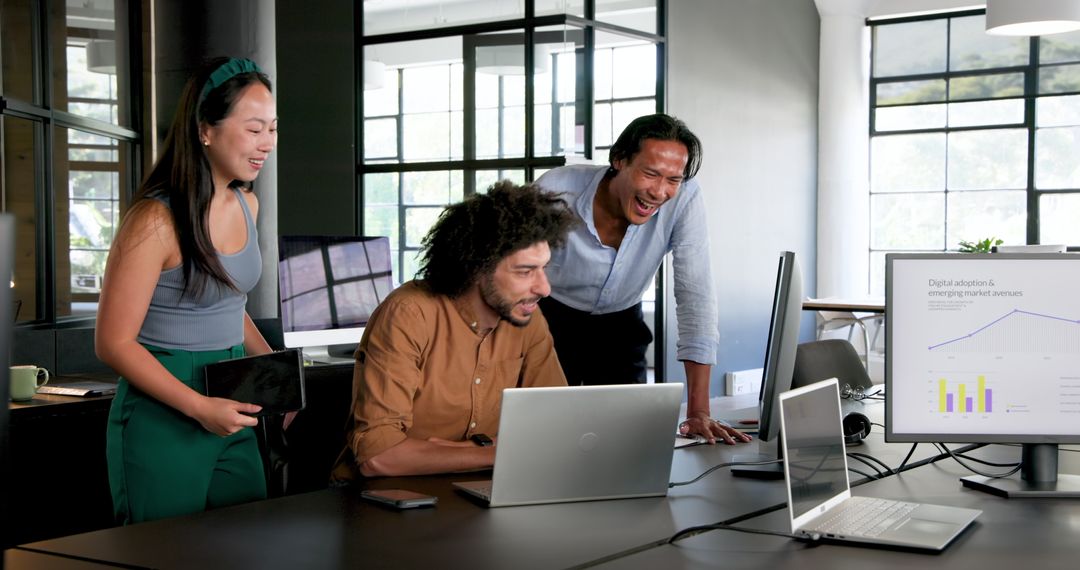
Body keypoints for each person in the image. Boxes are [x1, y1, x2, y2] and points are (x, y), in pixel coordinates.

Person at [95, 57, 278, 524]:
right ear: (205, 130)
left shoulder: (247, 203)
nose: (267, 143)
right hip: (165, 408)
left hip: (231, 397)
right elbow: (113, 343)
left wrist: (276, 378)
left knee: (248, 543)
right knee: (165, 552)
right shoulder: (154, 220)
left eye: (273, 129)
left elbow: (229, 304)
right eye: (254, 129)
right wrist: (198, 407)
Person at [331, 181, 577, 480]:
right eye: (525, 272)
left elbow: (557, 429)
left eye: (544, 268)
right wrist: (498, 453)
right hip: (382, 494)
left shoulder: (527, 319)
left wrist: (455, 450)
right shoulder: (410, 313)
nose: (544, 288)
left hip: (479, 487)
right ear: (476, 268)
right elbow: (378, 456)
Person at [535, 113, 751, 445]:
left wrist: (699, 411)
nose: (659, 191)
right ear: (619, 160)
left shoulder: (685, 198)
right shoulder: (556, 189)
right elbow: (510, 268)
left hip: (621, 325)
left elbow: (695, 297)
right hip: (549, 319)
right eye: (650, 174)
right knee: (545, 436)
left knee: (625, 442)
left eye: (673, 179)